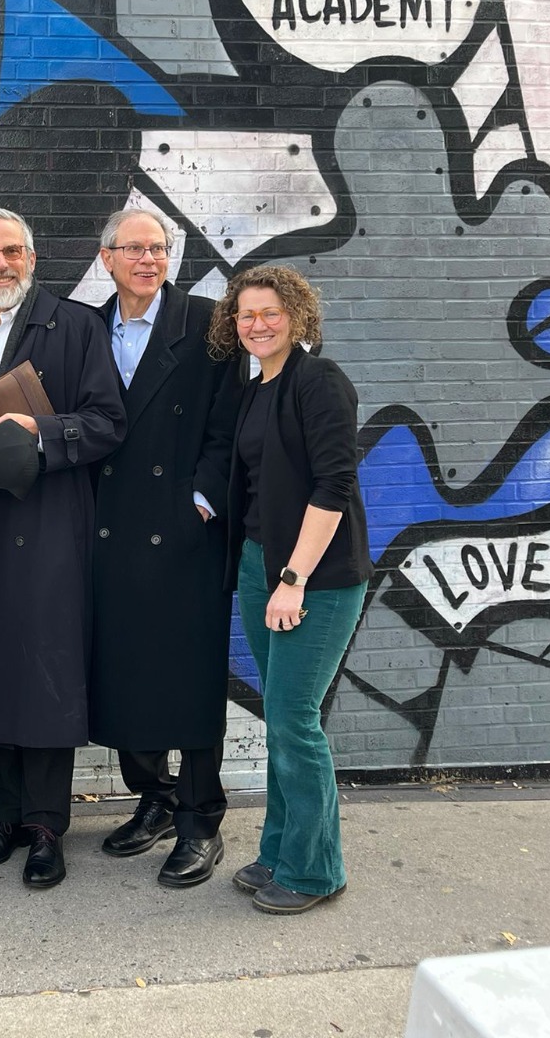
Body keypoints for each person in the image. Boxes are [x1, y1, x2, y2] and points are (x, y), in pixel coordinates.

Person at [0, 207, 127, 890]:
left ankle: (46, 826)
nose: (1, 265)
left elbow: (108, 423)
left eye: (12, 252)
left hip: (47, 523)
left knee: (44, 672)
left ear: (34, 257)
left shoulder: (75, 326)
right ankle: (4, 816)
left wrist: (38, 430)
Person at [88, 208, 243, 888]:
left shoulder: (208, 324)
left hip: (184, 535)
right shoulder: (85, 328)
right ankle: (152, 797)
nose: (147, 259)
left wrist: (201, 501)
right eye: (134, 249)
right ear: (107, 257)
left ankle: (200, 818)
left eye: (158, 247)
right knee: (124, 672)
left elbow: (230, 422)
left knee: (191, 678)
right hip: (110, 532)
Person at [212, 264, 370, 915]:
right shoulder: (258, 389)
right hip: (260, 566)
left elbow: (333, 487)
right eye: (246, 314)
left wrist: (293, 578)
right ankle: (280, 851)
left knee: (293, 720)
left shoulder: (319, 382)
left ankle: (315, 870)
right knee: (281, 719)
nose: (256, 324)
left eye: (269, 313)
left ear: (297, 316)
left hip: (316, 580)